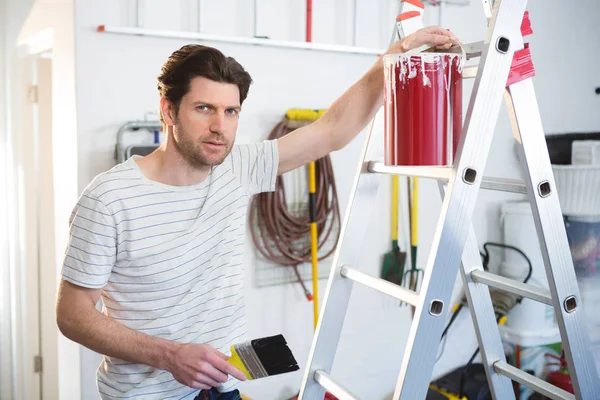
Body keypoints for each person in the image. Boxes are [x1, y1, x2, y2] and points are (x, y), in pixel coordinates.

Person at [55, 26, 457, 400]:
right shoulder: (109, 198)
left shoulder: (238, 167)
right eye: (204, 108)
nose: (219, 126)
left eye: (231, 112)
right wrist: (169, 355)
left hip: (223, 386)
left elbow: (333, 130)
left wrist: (394, 57)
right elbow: (72, 315)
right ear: (168, 109)